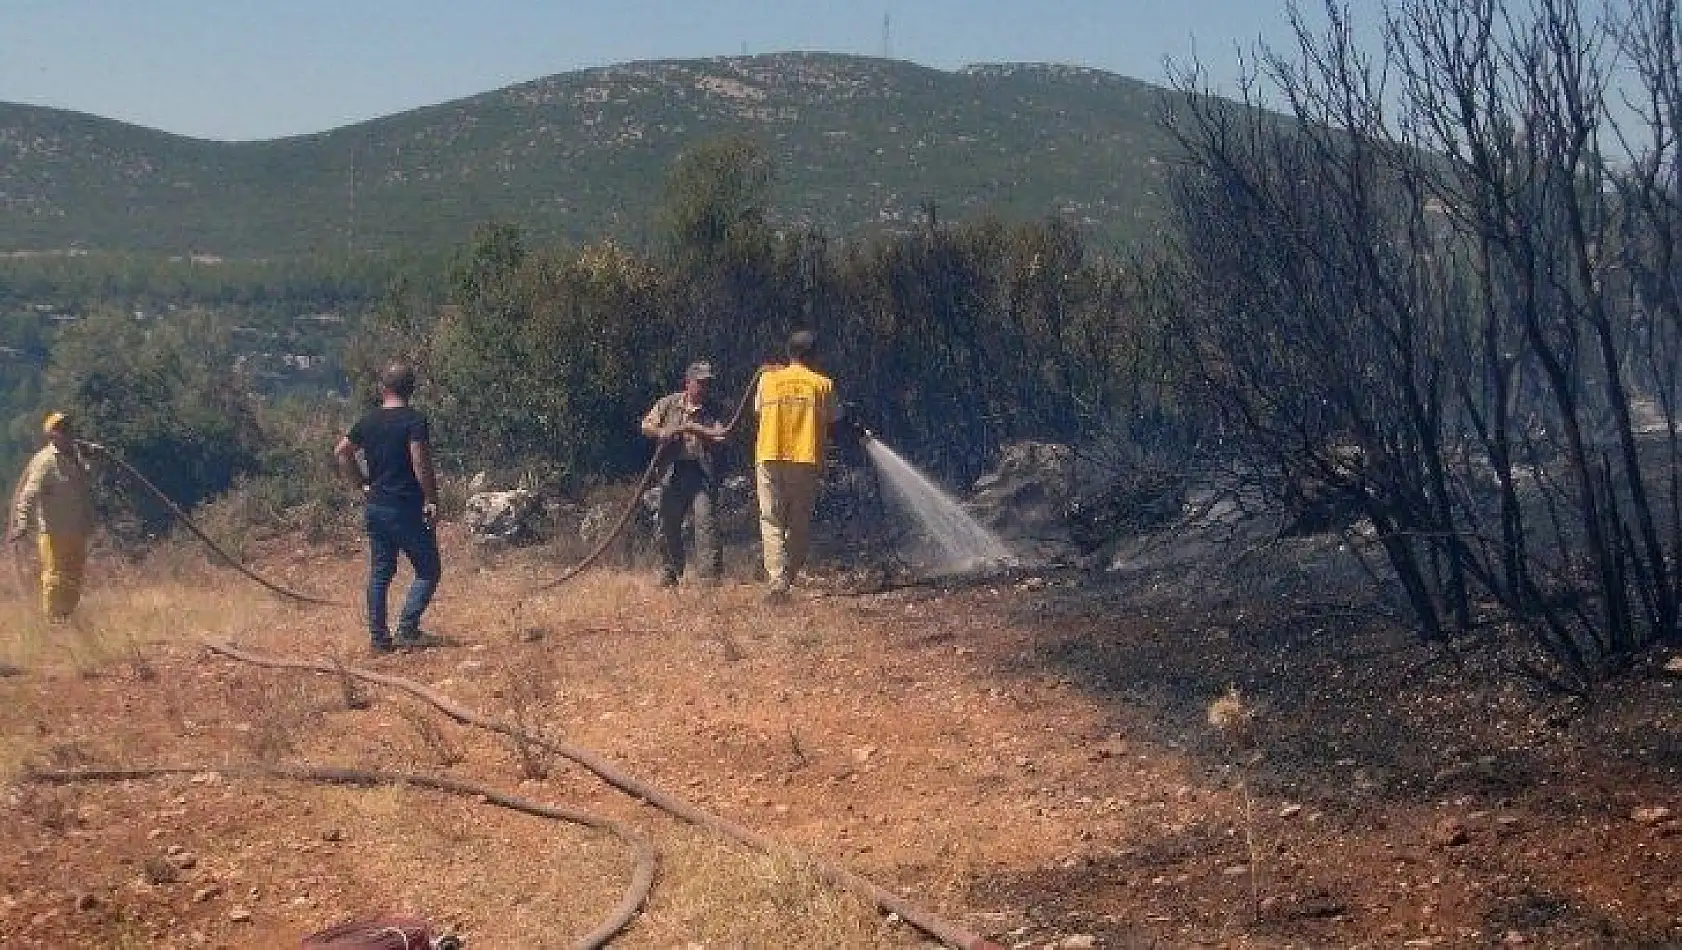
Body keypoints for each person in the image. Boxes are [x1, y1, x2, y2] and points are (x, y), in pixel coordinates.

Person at [335, 363, 442, 654]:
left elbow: (342, 451)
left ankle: (379, 639)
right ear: (411, 389)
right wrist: (431, 498)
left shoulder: (368, 421)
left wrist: (362, 484)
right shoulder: (414, 421)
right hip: (405, 506)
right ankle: (407, 628)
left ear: (383, 388)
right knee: (428, 569)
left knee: (381, 572)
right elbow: (419, 461)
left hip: (377, 507)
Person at [753, 331, 836, 602]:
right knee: (799, 523)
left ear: (789, 353)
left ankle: (777, 580)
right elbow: (837, 419)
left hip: (770, 455)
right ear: (813, 356)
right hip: (805, 458)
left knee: (771, 519)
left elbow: (758, 410)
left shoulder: (767, 379)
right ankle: (786, 575)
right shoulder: (822, 384)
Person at [640, 360, 729, 587]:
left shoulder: (715, 408)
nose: (704, 388)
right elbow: (646, 426)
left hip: (702, 473)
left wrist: (698, 431)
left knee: (705, 522)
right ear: (688, 383)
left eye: (707, 384)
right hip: (673, 471)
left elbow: (721, 434)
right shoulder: (668, 404)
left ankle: (709, 578)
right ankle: (670, 571)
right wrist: (662, 432)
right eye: (700, 383)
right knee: (667, 522)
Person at [6, 412, 99, 621]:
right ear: (52, 435)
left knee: (75, 576)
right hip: (54, 532)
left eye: (69, 429)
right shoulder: (45, 461)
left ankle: (68, 616)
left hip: (78, 529)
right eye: (62, 430)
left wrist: (91, 459)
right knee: (55, 576)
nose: (68, 433)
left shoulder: (76, 457)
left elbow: (86, 481)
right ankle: (53, 619)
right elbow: (28, 494)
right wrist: (21, 523)